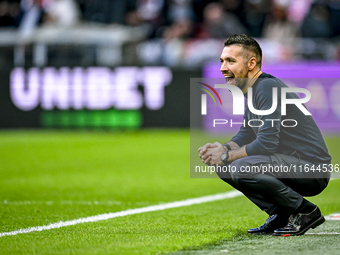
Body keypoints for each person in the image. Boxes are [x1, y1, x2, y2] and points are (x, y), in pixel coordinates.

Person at [198, 34, 332, 236]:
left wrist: (226, 155)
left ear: (251, 63)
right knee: (224, 165)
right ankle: (281, 214)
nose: (222, 68)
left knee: (241, 166)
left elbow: (266, 144)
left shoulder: (266, 87)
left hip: (311, 168)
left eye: (230, 61)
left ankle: (304, 211)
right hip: (292, 163)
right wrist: (223, 149)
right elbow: (246, 133)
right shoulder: (253, 89)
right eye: (222, 61)